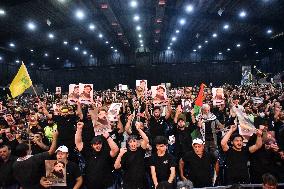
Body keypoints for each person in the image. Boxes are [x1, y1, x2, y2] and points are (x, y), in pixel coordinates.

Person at [75, 121, 119, 189]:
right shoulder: (88, 153)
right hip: (91, 185)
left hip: (107, 186)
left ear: (101, 144)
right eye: (95, 144)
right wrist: (79, 129)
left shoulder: (106, 152)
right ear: (92, 145)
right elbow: (78, 142)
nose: (97, 146)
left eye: (99, 143)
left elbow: (115, 150)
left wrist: (108, 137)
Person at [114, 122, 149, 189]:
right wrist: (120, 154)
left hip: (141, 182)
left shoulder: (140, 150)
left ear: (137, 142)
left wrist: (139, 129)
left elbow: (146, 140)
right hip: (128, 183)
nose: (133, 143)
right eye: (131, 142)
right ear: (128, 143)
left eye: (134, 141)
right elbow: (116, 167)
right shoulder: (125, 153)